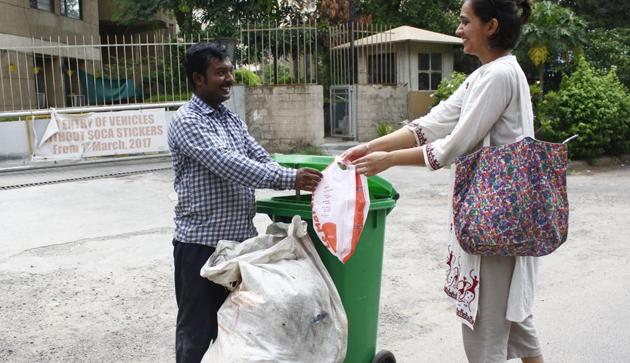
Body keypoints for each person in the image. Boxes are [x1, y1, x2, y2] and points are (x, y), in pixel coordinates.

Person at [342, 0, 544, 362]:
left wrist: (388, 160)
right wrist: (370, 146)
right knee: (518, 326)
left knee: (486, 333)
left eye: (466, 22)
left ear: (491, 26)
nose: (459, 29)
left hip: (494, 224)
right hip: (502, 220)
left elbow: (453, 145)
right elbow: (433, 123)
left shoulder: (499, 76)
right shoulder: (487, 73)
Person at [167, 42, 322, 363]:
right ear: (198, 79)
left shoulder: (230, 119)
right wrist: (290, 179)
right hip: (200, 245)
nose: (230, 78)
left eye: (230, 71)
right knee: (196, 331)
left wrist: (297, 178)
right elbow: (228, 164)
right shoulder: (187, 121)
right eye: (220, 72)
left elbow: (258, 156)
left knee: (238, 328)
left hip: (240, 246)